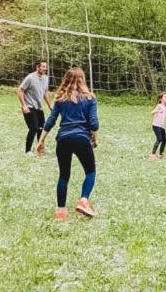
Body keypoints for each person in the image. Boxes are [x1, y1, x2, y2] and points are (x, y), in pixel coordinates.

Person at [35, 67, 99, 220]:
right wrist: (95, 139)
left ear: (66, 80)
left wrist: (41, 140)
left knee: (64, 175)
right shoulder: (90, 98)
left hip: (63, 139)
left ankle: (60, 212)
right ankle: (83, 201)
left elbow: (51, 120)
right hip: (82, 138)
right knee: (90, 171)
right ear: (82, 79)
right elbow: (94, 123)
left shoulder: (60, 98)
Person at [18, 61, 52, 156]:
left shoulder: (46, 78)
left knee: (41, 129)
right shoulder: (30, 78)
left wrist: (50, 105)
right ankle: (28, 151)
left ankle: (40, 149)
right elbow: (20, 90)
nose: (45, 68)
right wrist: (24, 106)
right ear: (38, 67)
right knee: (33, 128)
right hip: (29, 106)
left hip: (39, 107)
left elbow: (45, 92)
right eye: (43, 67)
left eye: (46, 66)